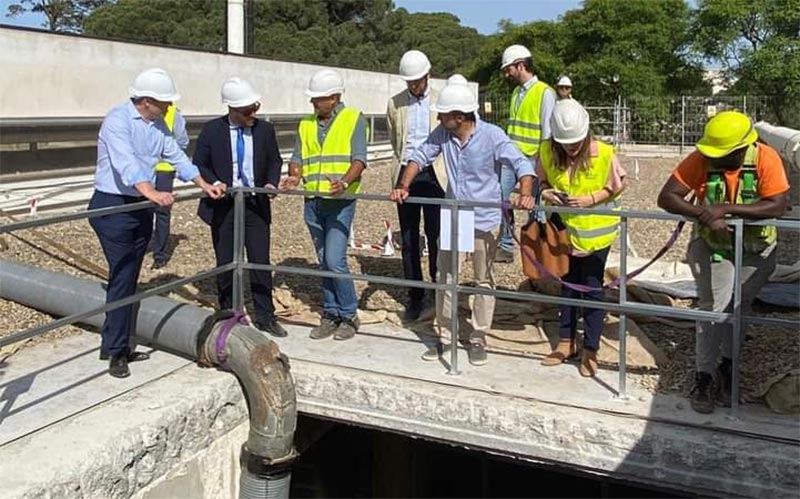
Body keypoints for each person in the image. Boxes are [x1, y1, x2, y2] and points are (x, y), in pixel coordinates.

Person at [88, 68, 224, 378]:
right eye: (164, 102)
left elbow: (176, 155)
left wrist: (204, 184)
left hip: (139, 206)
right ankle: (118, 351)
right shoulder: (117, 121)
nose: (167, 108)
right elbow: (125, 163)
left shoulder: (157, 124)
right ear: (147, 100)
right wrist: (151, 192)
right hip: (112, 205)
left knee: (127, 277)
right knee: (123, 276)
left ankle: (112, 343)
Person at [390, 82, 536, 366]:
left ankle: (479, 337)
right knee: (447, 277)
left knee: (483, 280)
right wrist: (403, 185)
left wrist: (527, 194)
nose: (438, 118)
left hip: (485, 218)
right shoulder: (443, 134)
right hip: (456, 215)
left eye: (443, 114)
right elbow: (419, 156)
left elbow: (522, 165)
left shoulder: (492, 136)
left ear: (460, 116)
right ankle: (446, 335)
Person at [657, 110, 789, 414]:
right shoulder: (701, 158)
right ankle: (704, 376)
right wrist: (705, 214)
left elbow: (778, 204)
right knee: (713, 307)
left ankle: (729, 368)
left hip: (755, 250)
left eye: (724, 154)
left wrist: (725, 210)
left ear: (743, 148)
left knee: (739, 306)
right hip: (713, 247)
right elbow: (667, 197)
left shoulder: (765, 159)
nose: (715, 160)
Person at [537, 99, 626, 377]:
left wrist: (590, 199)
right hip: (564, 233)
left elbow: (618, 184)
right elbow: (541, 180)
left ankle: (590, 349)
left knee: (591, 289)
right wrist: (545, 192)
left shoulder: (604, 153)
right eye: (565, 142)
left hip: (596, 236)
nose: (571, 147)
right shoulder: (547, 151)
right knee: (566, 285)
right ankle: (566, 342)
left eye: (575, 142)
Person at [278, 69, 368, 341]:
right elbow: (297, 157)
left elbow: (360, 159)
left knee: (335, 259)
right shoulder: (306, 124)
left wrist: (344, 182)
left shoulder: (353, 119)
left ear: (334, 97)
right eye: (313, 98)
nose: (313, 103)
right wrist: (294, 176)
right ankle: (331, 313)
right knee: (323, 261)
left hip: (340, 202)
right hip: (313, 201)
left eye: (318, 99)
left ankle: (349, 314)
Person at [194, 77, 287, 337]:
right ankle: (229, 314)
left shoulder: (265, 130)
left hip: (255, 205)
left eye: (255, 108)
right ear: (231, 110)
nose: (253, 114)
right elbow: (199, 163)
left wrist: (271, 183)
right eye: (247, 111)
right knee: (226, 261)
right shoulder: (212, 131)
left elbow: (274, 161)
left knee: (260, 262)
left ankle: (265, 316)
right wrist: (213, 182)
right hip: (224, 206)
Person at [386, 50, 446, 321]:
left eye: (417, 81)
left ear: (427, 76)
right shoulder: (395, 103)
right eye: (409, 81)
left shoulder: (441, 100)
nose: (413, 85)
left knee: (436, 235)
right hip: (405, 175)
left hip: (436, 175)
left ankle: (437, 288)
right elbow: (394, 137)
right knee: (409, 239)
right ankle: (415, 295)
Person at [497, 44, 556, 263]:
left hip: (533, 159)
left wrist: (541, 167)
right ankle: (505, 244)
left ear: (520, 65)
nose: (507, 73)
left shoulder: (545, 93)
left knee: (534, 206)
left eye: (509, 68)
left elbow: (547, 135)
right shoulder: (516, 93)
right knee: (501, 198)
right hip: (512, 157)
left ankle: (535, 249)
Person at [151, 103, 189, 269]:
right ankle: (152, 248)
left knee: (162, 210)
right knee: (152, 210)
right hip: (149, 170)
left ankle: (159, 254)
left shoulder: (174, 114)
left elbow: (182, 141)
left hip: (163, 170)